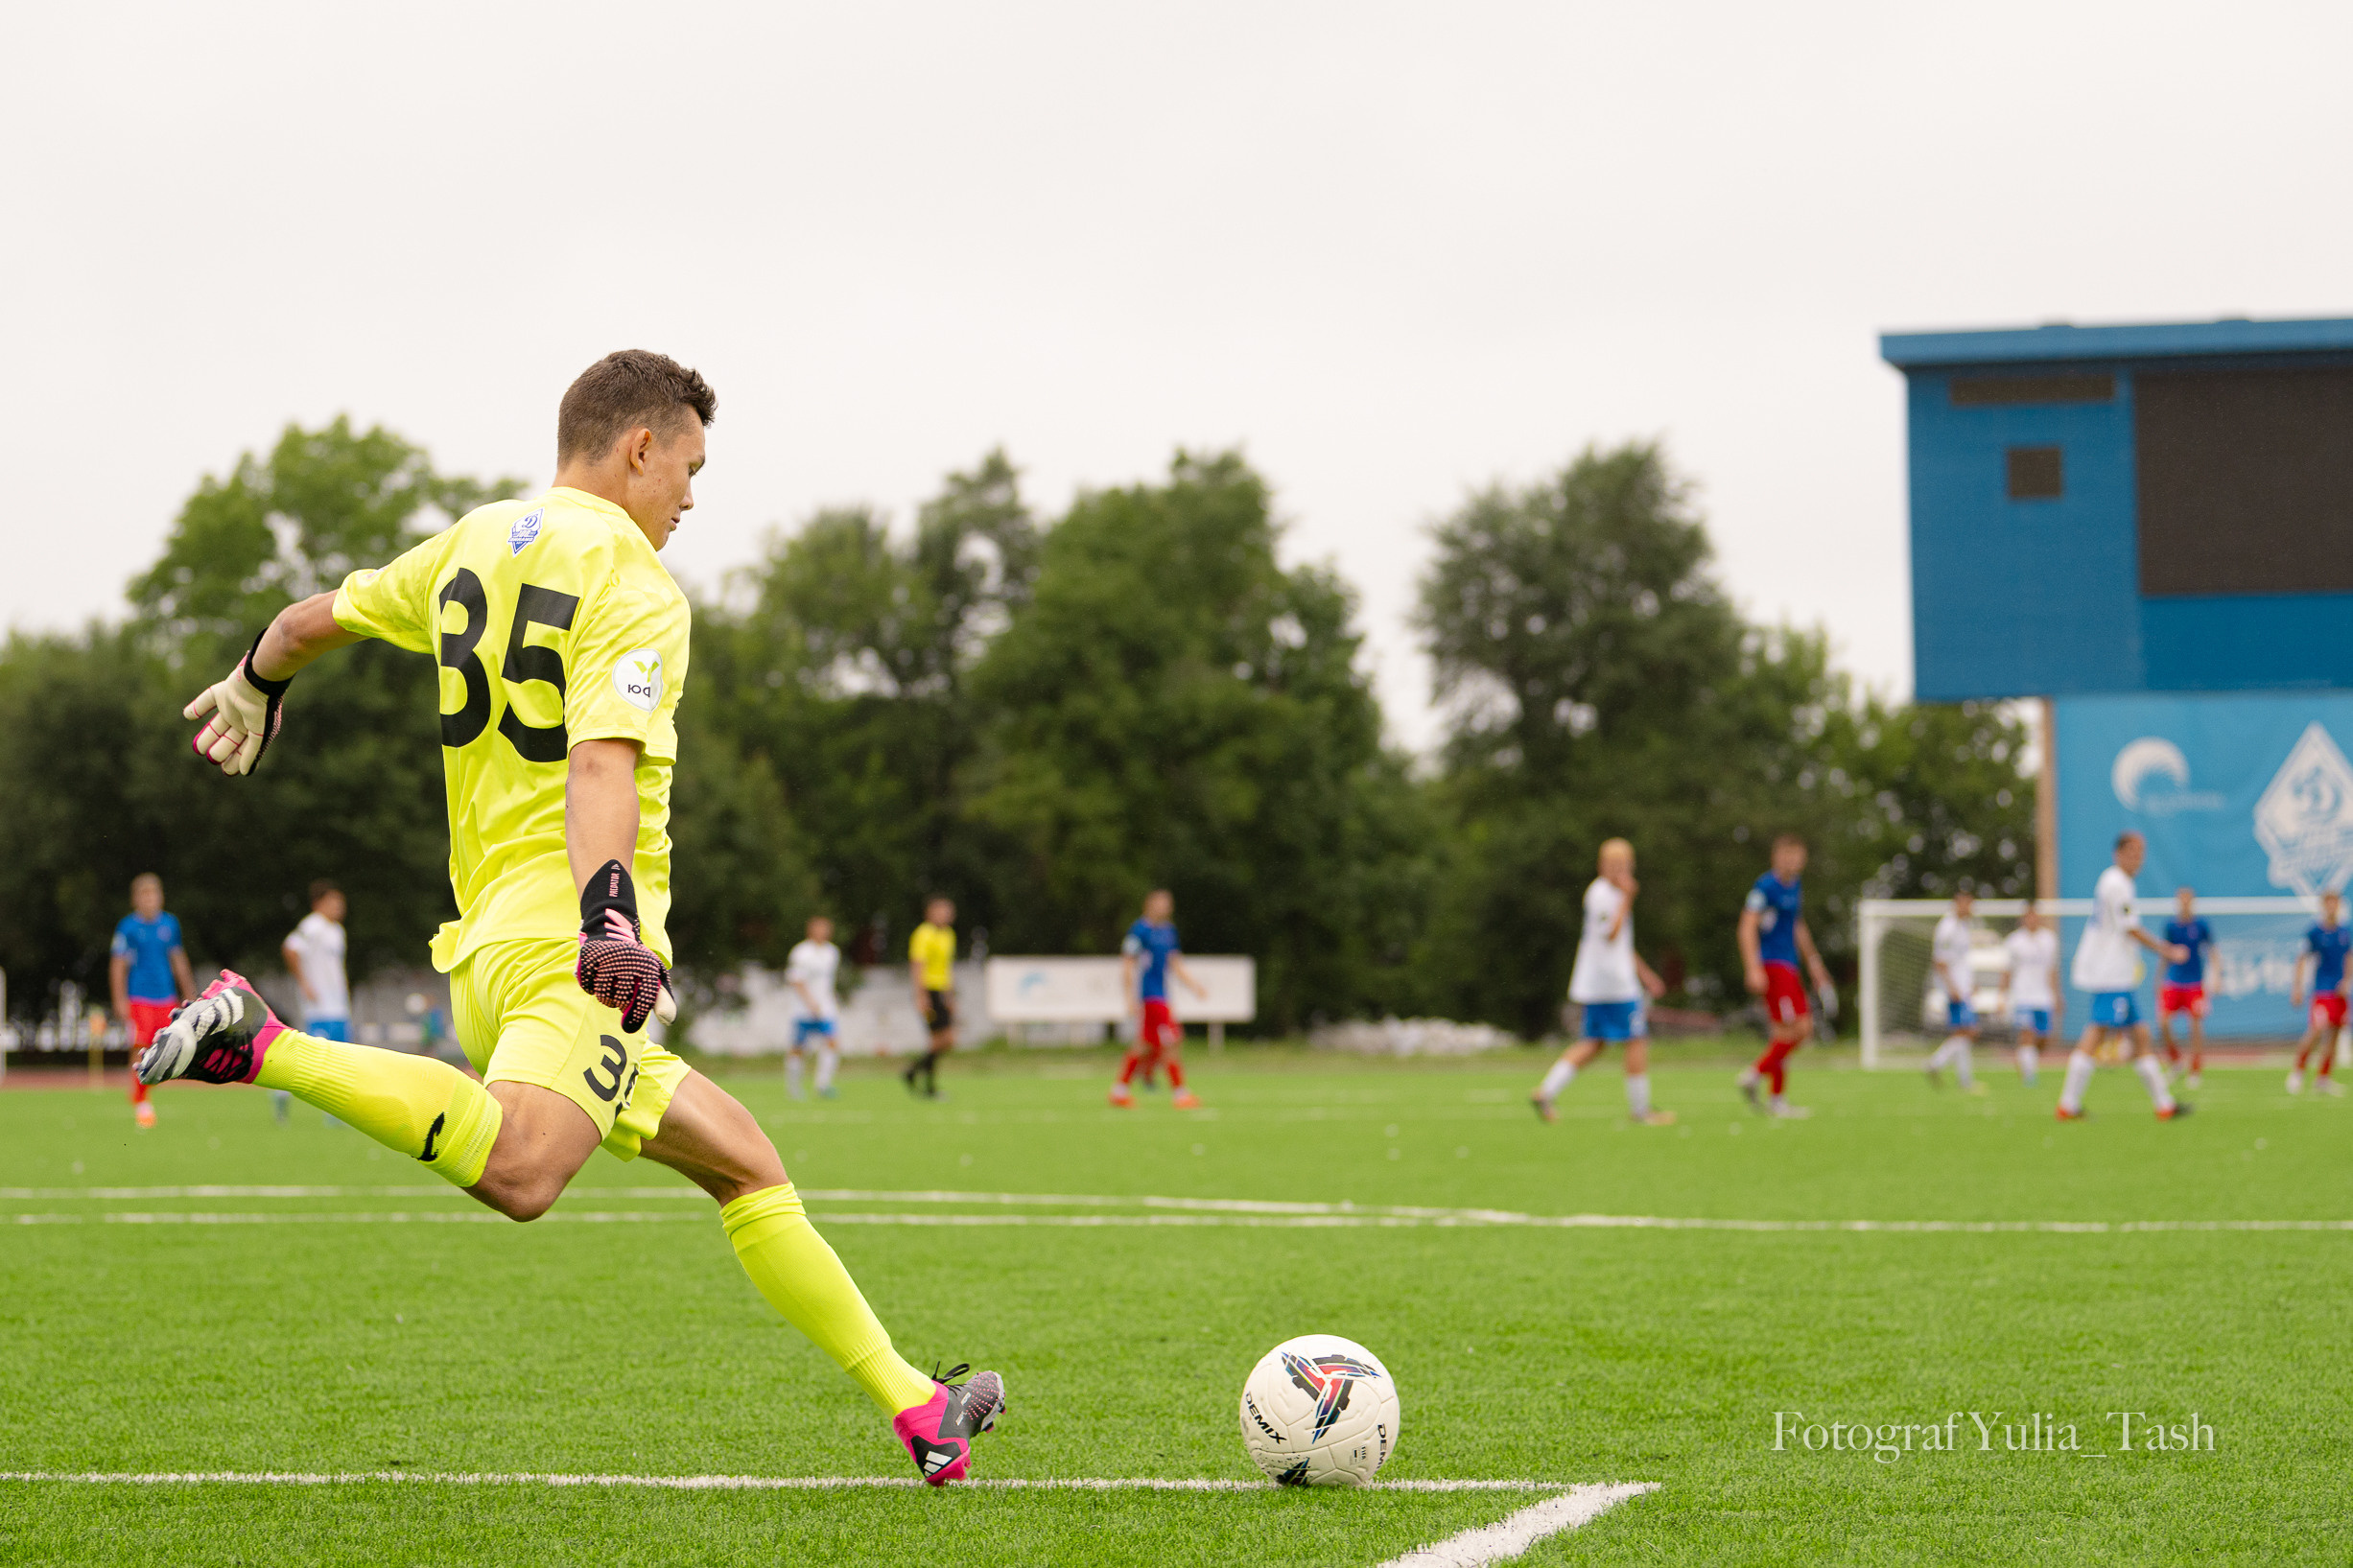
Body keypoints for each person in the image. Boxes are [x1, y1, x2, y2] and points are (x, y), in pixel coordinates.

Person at [138, 351, 1000, 1484]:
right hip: (579, 954)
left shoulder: (468, 545)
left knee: (745, 1164)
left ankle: (918, 1408)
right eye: (689, 468)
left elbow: (307, 623)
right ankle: (264, 1042)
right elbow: (600, 764)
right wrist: (610, 920)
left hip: (492, 950)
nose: (689, 497)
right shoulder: (633, 580)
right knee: (524, 1172)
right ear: (639, 447)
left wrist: (255, 683)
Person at [1531, 839, 1676, 1126]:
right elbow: (1611, 934)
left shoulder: (1611, 893)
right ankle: (1640, 1110)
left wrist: (1645, 974)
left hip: (1602, 982)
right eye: (1613, 865)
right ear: (1601, 866)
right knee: (1636, 1040)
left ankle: (1546, 1092)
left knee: (1593, 1043)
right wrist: (1628, 898)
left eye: (1623, 865)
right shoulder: (1601, 894)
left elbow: (1622, 945)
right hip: (1613, 984)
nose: (1619, 871)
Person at [2056, 831, 2191, 1122]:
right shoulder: (2117, 883)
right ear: (2118, 854)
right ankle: (2067, 1104)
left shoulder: (2115, 881)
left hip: (2119, 975)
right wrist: (2166, 950)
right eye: (2132, 852)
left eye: (2141, 853)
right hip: (2111, 974)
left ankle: (2164, 1105)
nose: (2137, 859)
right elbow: (2130, 928)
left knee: (2141, 1035)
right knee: (2097, 1032)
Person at [1734, 833, 1836, 1118]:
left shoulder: (1796, 885)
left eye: (1796, 855)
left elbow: (1797, 925)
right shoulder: (1765, 886)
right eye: (1786, 855)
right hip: (1773, 965)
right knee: (1799, 1029)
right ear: (1775, 857)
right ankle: (1754, 1074)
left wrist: (1814, 963)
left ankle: (1776, 1098)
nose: (1791, 860)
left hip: (1789, 965)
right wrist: (1752, 967)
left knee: (1786, 1034)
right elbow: (1746, 926)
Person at [109, 873, 194, 1130]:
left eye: (153, 894)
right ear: (135, 899)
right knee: (140, 1046)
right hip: (139, 997)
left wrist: (189, 992)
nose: (149, 900)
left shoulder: (170, 924)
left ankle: (143, 1093)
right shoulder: (127, 928)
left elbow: (178, 959)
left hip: (166, 996)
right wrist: (119, 999)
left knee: (167, 1047)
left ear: (161, 897)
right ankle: (141, 1101)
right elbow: (118, 965)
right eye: (144, 895)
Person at [1110, 888, 1207, 1111]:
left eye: (1167, 903)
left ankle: (1121, 1090)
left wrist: (1194, 986)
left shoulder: (1169, 931)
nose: (1165, 907)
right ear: (1149, 904)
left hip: (1162, 996)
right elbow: (1127, 963)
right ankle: (1180, 1093)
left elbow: (1175, 963)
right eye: (1160, 903)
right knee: (1171, 1040)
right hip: (1150, 996)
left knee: (1146, 1044)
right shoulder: (1139, 931)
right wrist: (1129, 998)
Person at [278, 880, 351, 1124]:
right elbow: (290, 948)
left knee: (339, 1058)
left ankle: (334, 1111)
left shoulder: (337, 930)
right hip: (319, 1007)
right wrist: (304, 983)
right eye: (333, 901)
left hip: (338, 1006)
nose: (338, 906)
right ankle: (281, 1092)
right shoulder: (312, 925)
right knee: (314, 1059)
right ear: (319, 903)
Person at [2288, 891, 2351, 1097]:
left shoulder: (2345, 932)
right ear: (2324, 906)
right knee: (2316, 1031)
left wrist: (2347, 981)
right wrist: (2297, 987)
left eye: (2335, 903)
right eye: (2328, 903)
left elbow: (2349, 957)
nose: (2332, 907)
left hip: (2340, 992)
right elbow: (2302, 958)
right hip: (2322, 991)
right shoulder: (2315, 932)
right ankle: (2298, 1072)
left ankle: (2323, 1079)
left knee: (2335, 1034)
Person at [1922, 889, 1986, 1093]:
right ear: (1957, 903)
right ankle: (1935, 1063)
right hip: (1955, 989)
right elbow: (1940, 962)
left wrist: (1971, 982)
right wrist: (1953, 988)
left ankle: (1964, 1081)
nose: (1970, 908)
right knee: (1970, 1031)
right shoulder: (1947, 928)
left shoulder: (1963, 926)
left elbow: (1960, 960)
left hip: (1962, 986)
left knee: (1961, 1033)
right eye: (1966, 904)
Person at [2157, 888, 2215, 1088]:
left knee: (2195, 1026)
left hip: (2194, 984)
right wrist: (2159, 979)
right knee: (2163, 1022)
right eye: (2181, 900)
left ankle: (2195, 1068)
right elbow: (2165, 953)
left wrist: (2216, 976)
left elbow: (2212, 950)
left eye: (2188, 900)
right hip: (2173, 982)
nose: (2184, 904)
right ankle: (2176, 1060)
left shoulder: (2201, 925)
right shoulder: (2170, 926)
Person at [1999, 901, 2060, 1087]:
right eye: (2028, 916)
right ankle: (2029, 1078)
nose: (2032, 919)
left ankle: (2025, 1062)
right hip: (2022, 996)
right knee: (2026, 1034)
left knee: (2043, 1039)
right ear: (2023, 919)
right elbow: (2007, 971)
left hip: (2043, 996)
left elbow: (2052, 970)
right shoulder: (2014, 941)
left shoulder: (2049, 940)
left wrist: (2057, 995)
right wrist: (2001, 996)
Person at [784, 915, 842, 1101]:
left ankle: (822, 1085)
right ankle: (794, 1087)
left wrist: (826, 1003)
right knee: (798, 1048)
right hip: (803, 1010)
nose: (822, 932)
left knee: (831, 1042)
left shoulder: (832, 952)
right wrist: (810, 1003)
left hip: (826, 1009)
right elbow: (796, 980)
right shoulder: (801, 952)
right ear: (810, 931)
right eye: (819, 928)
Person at [906, 898, 958, 1099]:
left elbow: (947, 967)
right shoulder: (923, 933)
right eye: (940, 911)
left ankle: (913, 1072)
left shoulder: (948, 935)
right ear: (929, 913)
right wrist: (921, 996)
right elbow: (917, 965)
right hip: (928, 990)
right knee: (940, 1039)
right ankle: (928, 1086)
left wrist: (951, 996)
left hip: (941, 991)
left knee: (945, 1040)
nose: (945, 915)